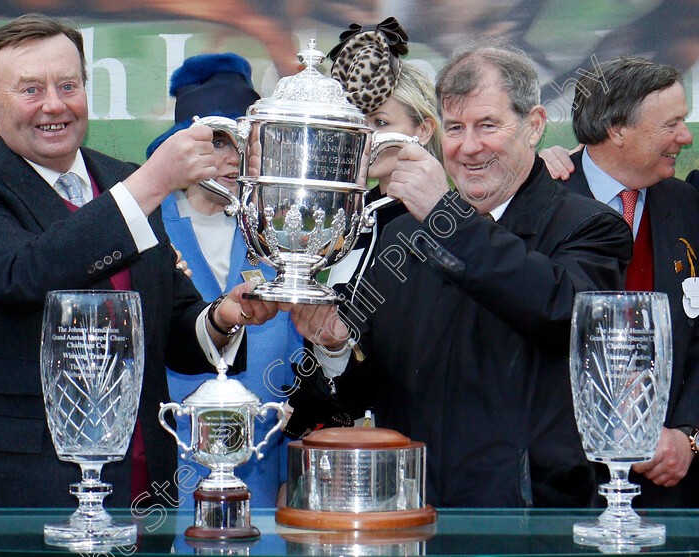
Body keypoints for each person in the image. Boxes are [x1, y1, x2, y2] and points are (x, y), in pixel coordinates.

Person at [0, 13, 281, 508]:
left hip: (143, 490)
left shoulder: (120, 179)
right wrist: (151, 182)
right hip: (15, 496)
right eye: (30, 90)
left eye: (68, 85)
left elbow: (172, 326)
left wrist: (222, 319)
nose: (54, 105)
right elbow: (25, 273)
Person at [287, 40, 634, 507]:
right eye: (455, 128)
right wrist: (334, 347)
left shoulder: (590, 226)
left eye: (487, 125)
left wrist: (446, 219)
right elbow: (359, 394)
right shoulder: (399, 235)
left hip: (530, 524)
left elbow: (563, 315)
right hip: (412, 515)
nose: (469, 147)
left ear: (533, 127)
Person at [148, 52, 302, 508]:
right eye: (218, 141)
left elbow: (301, 368)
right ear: (180, 147)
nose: (233, 157)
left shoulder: (283, 238)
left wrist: (292, 472)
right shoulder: (146, 233)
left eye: (245, 141)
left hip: (263, 479)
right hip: (165, 487)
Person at [547, 56, 699, 507]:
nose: (686, 137)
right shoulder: (542, 200)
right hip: (561, 491)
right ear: (616, 129)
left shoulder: (687, 205)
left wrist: (688, 436)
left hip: (670, 490)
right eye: (670, 124)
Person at [324, 19, 442, 301]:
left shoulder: (447, 219)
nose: (365, 136)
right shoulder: (348, 213)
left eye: (380, 122)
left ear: (423, 130)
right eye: (356, 122)